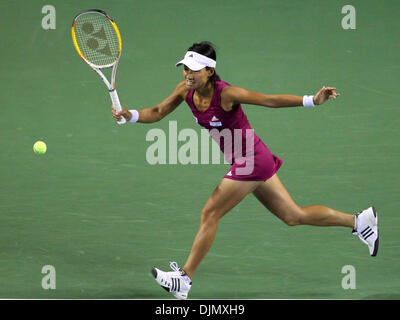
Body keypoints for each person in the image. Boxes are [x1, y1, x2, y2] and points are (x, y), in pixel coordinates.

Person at [112, 41, 379, 300]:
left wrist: (312, 100)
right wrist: (131, 115)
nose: (188, 74)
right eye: (185, 68)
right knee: (292, 216)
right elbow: (158, 111)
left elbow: (269, 100)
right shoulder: (185, 90)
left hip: (251, 160)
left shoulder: (227, 94)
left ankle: (183, 279)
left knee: (210, 212)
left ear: (209, 71)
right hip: (251, 159)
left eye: (194, 69)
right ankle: (359, 222)